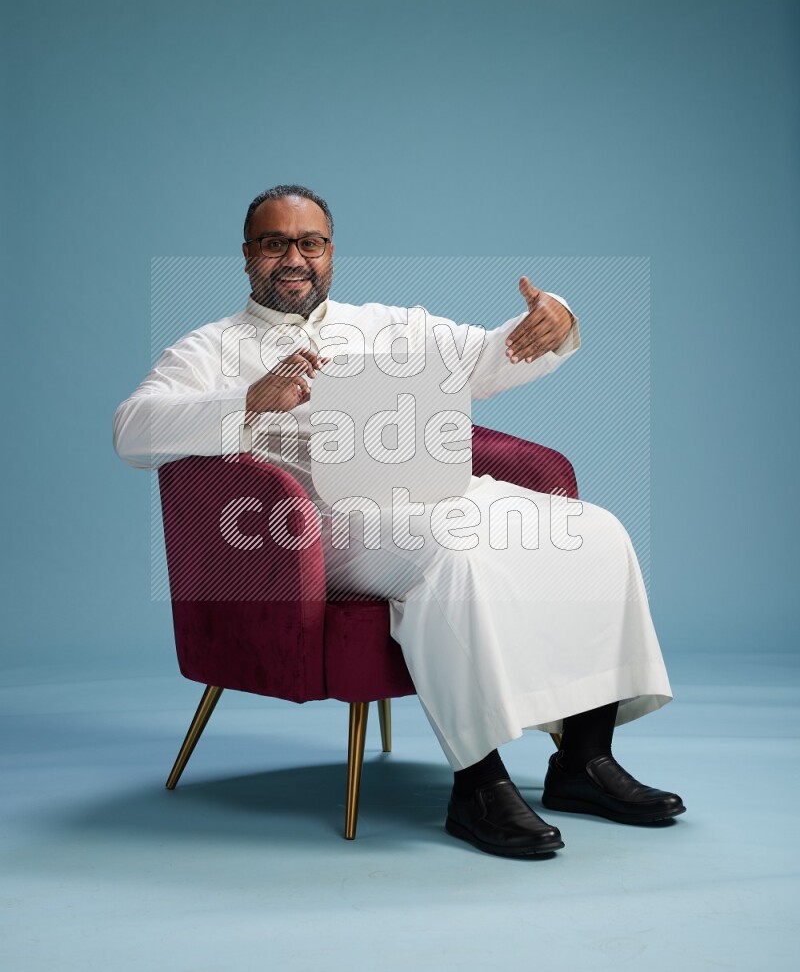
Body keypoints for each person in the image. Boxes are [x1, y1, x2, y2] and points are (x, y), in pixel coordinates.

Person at [113, 183, 685, 859]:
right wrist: (248, 400)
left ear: (331, 253)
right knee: (452, 556)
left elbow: (489, 354)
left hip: (440, 492)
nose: (293, 257)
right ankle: (478, 783)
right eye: (275, 243)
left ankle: (584, 762)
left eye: (310, 242)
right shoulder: (209, 348)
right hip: (319, 524)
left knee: (595, 532)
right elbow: (131, 429)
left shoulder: (388, 322)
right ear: (247, 256)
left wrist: (553, 318)